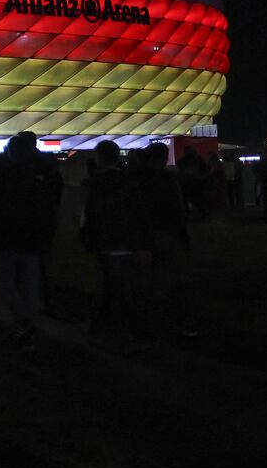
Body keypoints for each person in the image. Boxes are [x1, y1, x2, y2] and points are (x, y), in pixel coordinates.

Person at [0, 135, 63, 348]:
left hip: (9, 236)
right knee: (30, 282)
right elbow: (54, 202)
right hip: (35, 236)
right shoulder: (47, 171)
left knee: (8, 282)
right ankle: (30, 322)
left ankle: (25, 322)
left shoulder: (7, 173)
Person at [81, 140, 153, 346]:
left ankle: (106, 332)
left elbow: (90, 215)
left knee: (110, 288)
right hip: (129, 243)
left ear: (99, 158)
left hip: (106, 243)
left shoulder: (95, 184)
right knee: (123, 288)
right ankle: (127, 332)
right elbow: (141, 214)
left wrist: (87, 238)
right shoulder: (129, 182)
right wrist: (144, 244)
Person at [130, 142, 196, 336]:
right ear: (164, 159)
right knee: (170, 278)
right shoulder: (168, 180)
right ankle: (175, 322)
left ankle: (145, 323)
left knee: (145, 280)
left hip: (142, 235)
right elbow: (178, 209)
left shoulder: (133, 179)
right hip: (166, 234)